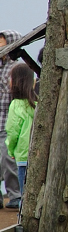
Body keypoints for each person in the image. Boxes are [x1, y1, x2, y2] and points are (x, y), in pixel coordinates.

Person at [5, 63, 35, 210]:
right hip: (37, 155)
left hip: (22, 156)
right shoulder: (36, 104)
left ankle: (24, 221)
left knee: (25, 194)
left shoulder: (16, 105)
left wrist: (10, 150)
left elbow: (12, 132)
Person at [0, 30, 23, 208]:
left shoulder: (15, 67)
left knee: (8, 161)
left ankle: (15, 196)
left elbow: (12, 91)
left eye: (2, 41)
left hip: (7, 121)